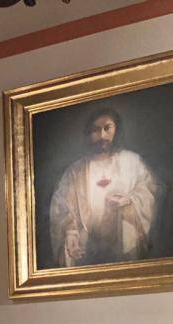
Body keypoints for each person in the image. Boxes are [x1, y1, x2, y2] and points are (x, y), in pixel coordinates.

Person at [50, 107, 160, 268]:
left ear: (116, 129)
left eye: (107, 128)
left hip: (123, 247)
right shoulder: (76, 170)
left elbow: (151, 189)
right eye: (96, 130)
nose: (102, 135)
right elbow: (61, 206)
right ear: (89, 134)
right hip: (87, 249)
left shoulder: (131, 161)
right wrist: (70, 231)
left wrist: (129, 201)